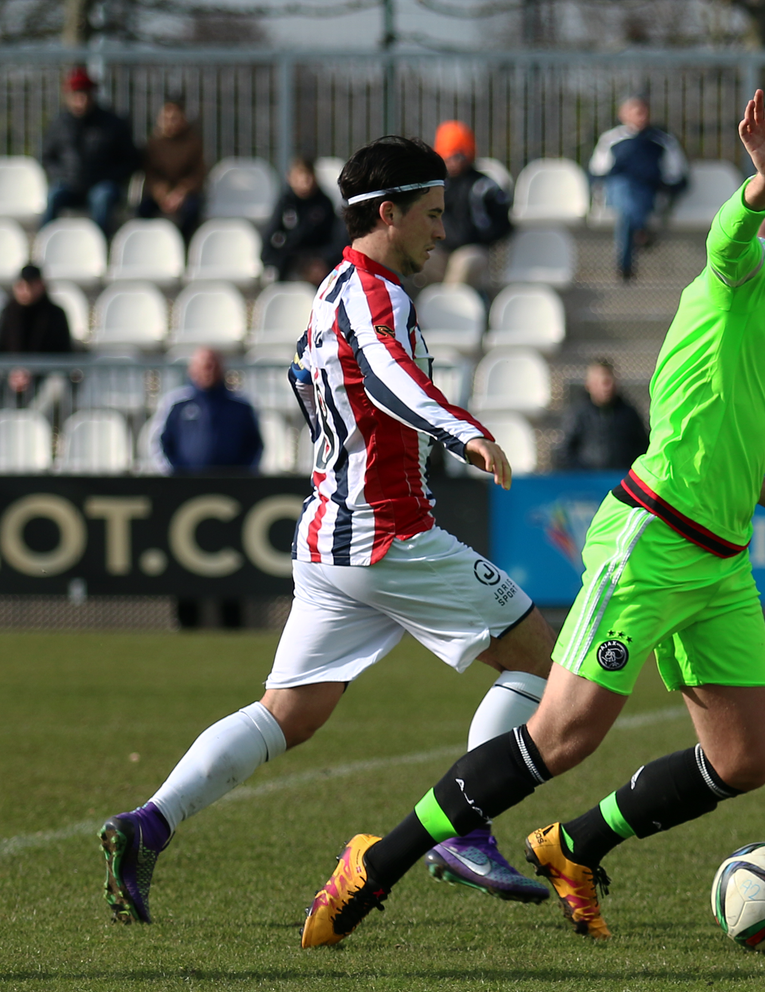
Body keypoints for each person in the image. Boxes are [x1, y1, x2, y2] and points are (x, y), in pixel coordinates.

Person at [299, 91, 765, 948]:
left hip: (720, 559)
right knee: (562, 736)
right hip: (650, 542)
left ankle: (574, 846)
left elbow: (711, 423)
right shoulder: (746, 275)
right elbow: (731, 238)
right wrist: (763, 182)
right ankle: (376, 861)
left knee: (744, 760)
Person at [100, 136, 556, 927]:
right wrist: (465, 432)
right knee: (537, 660)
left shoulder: (332, 290)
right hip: (389, 537)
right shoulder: (376, 296)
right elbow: (388, 371)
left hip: (330, 540)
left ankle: (150, 823)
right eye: (432, 215)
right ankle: (466, 825)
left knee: (289, 713)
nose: (441, 232)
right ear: (390, 214)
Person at [589, 96, 689, 281]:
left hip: (646, 191)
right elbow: (598, 171)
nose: (641, 116)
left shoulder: (662, 140)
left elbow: (675, 174)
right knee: (625, 191)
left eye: (643, 111)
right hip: (617, 189)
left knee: (628, 211)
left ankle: (625, 264)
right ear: (623, 115)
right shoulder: (611, 139)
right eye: (636, 112)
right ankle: (641, 230)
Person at [40, 67, 138, 237]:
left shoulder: (113, 124)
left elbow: (130, 159)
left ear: (93, 95)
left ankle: (99, 246)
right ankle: (43, 244)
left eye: (84, 95)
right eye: (76, 96)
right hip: (69, 184)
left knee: (102, 197)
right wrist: (63, 175)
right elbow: (47, 157)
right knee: (54, 196)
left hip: (101, 184)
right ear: (68, 97)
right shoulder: (59, 124)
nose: (80, 101)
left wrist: (109, 176)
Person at [420, 120, 513, 288]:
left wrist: (482, 237)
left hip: (473, 249)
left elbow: (503, 221)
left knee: (464, 263)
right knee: (417, 256)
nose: (454, 161)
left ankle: (450, 307)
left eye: (459, 155)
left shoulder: (484, 185)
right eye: (448, 156)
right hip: (440, 248)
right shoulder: (435, 186)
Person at [151, 348, 264, 475]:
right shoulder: (176, 403)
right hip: (185, 485)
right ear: (192, 370)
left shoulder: (241, 406)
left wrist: (244, 474)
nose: (209, 371)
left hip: (231, 485)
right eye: (204, 366)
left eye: (213, 366)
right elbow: (159, 442)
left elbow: (254, 444)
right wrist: (175, 474)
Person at [0, 264, 73, 415]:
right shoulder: (8, 313)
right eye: (22, 285)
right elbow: (0, 350)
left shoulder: (55, 314)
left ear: (41, 285)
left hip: (43, 378)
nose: (26, 290)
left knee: (57, 385)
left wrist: (34, 371)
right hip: (10, 379)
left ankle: (33, 424)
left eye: (30, 285)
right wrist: (12, 373)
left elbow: (63, 354)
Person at [260, 156, 345, 286]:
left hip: (316, 261)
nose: (305, 182)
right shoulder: (285, 203)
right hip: (290, 261)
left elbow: (335, 241)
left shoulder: (324, 203)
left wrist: (323, 259)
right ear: (290, 178)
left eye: (308, 176)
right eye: (300, 176)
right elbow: (270, 237)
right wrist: (273, 263)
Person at [553, 359, 649, 471]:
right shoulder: (578, 414)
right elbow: (564, 451)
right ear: (589, 385)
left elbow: (642, 446)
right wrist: (582, 473)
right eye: (601, 383)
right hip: (588, 483)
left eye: (609, 382)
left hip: (621, 480)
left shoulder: (629, 414)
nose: (606, 388)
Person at [138, 97, 206, 241]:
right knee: (142, 210)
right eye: (165, 118)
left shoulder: (193, 143)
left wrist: (180, 193)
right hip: (160, 194)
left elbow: (198, 174)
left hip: (184, 195)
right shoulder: (153, 144)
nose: (169, 122)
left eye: (174, 118)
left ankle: (184, 243)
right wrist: (162, 194)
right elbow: (150, 174)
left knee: (192, 211)